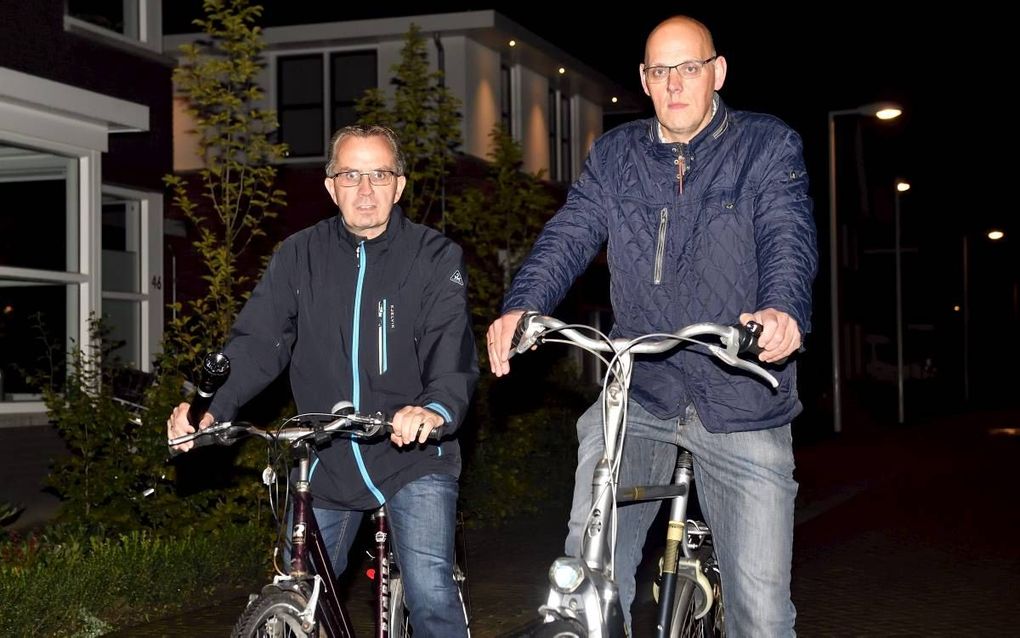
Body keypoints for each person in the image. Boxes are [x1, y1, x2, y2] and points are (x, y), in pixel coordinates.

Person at [487, 16, 816, 637]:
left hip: (740, 394)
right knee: (585, 582)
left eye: (688, 68)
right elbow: (571, 231)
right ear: (643, 80)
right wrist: (521, 305)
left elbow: (786, 234)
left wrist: (784, 310)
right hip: (642, 393)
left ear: (716, 72)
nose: (674, 84)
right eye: (660, 71)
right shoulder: (616, 156)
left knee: (763, 618)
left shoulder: (765, 145)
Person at [167, 124, 478, 637]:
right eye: (350, 174)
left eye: (378, 174)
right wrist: (209, 410)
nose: (365, 189)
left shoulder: (432, 256)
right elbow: (258, 342)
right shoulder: (298, 256)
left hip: (412, 455)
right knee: (301, 591)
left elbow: (451, 344)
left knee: (430, 591)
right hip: (327, 457)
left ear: (399, 185)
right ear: (330, 185)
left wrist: (435, 408)